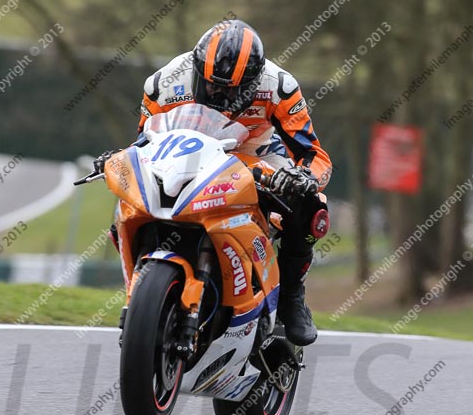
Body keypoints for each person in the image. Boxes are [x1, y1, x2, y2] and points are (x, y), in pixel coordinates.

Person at [135, 18, 332, 346]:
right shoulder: (164, 83)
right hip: (187, 152)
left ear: (255, 81)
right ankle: (143, 282)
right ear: (198, 70)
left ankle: (291, 297)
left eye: (233, 89)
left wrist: (303, 178)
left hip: (255, 156)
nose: (220, 94)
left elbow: (314, 155)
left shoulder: (280, 87)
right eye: (212, 85)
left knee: (313, 207)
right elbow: (141, 142)